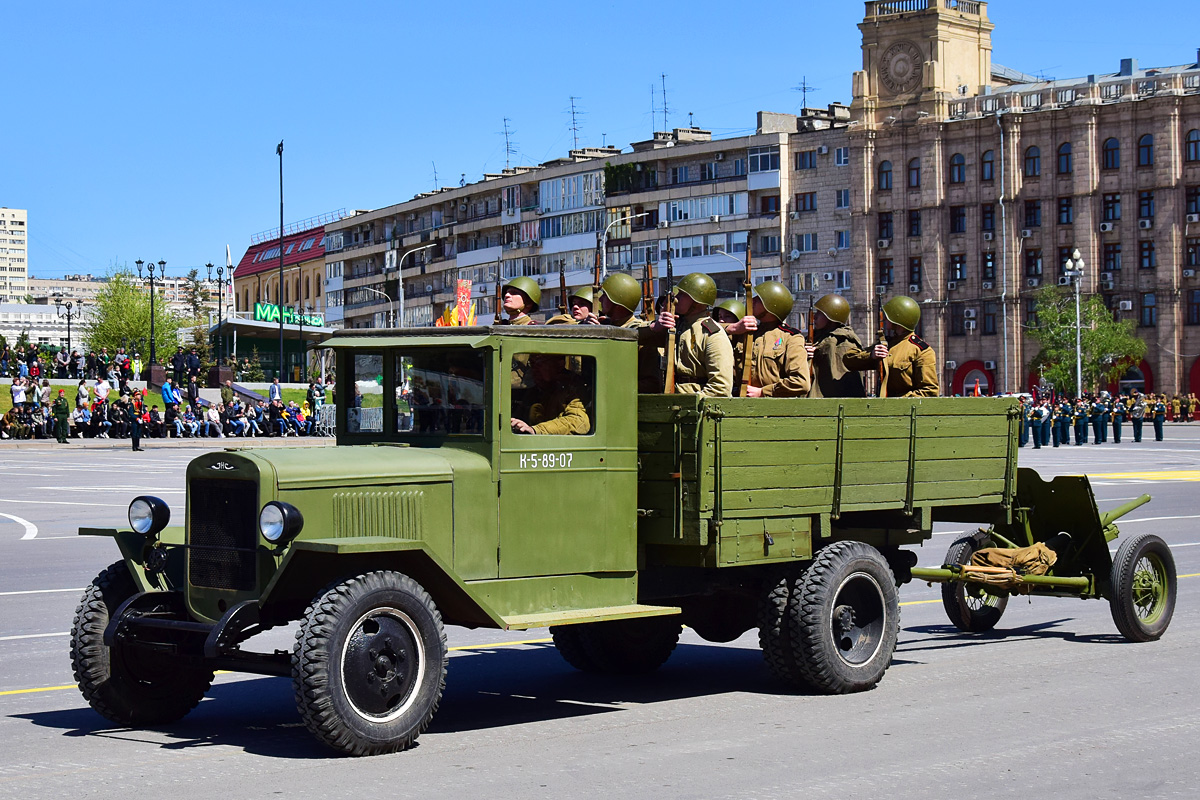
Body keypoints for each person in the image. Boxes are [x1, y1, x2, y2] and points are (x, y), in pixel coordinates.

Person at [642, 272, 734, 397]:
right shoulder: (677, 326)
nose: (676, 298)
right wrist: (655, 326)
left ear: (697, 301)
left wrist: (690, 405)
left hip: (693, 408)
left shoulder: (712, 334)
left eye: (683, 295)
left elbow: (720, 388)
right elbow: (638, 337)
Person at [723, 280, 810, 397]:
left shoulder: (790, 338)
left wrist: (763, 392)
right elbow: (706, 329)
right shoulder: (745, 333)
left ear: (771, 304)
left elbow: (801, 382)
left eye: (758, 299)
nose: (752, 301)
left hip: (774, 408)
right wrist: (732, 328)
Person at [864, 295, 939, 397]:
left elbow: (929, 391)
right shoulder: (886, 344)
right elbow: (850, 360)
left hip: (905, 410)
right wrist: (870, 355)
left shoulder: (921, 351)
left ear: (898, 319)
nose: (885, 320)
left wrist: (897, 403)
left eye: (888, 317)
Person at [804, 294, 872, 398]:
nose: (815, 316)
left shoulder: (843, 342)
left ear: (830, 316)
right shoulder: (814, 338)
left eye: (820, 313)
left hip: (832, 403)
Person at [509, 353, 590, 435]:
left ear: (559, 364)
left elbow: (579, 421)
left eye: (540, 363)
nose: (534, 368)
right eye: (532, 363)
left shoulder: (573, 386)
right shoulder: (536, 389)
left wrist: (536, 430)